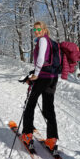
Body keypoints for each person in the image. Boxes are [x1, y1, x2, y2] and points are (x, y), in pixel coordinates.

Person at [21, 21, 59, 152]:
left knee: (30, 104)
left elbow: (41, 59)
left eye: (38, 29)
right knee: (49, 108)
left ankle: (27, 134)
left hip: (42, 77)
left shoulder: (42, 40)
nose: (36, 31)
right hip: (52, 78)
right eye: (34, 30)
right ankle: (52, 140)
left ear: (44, 29)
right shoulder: (50, 41)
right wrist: (33, 73)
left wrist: (36, 75)